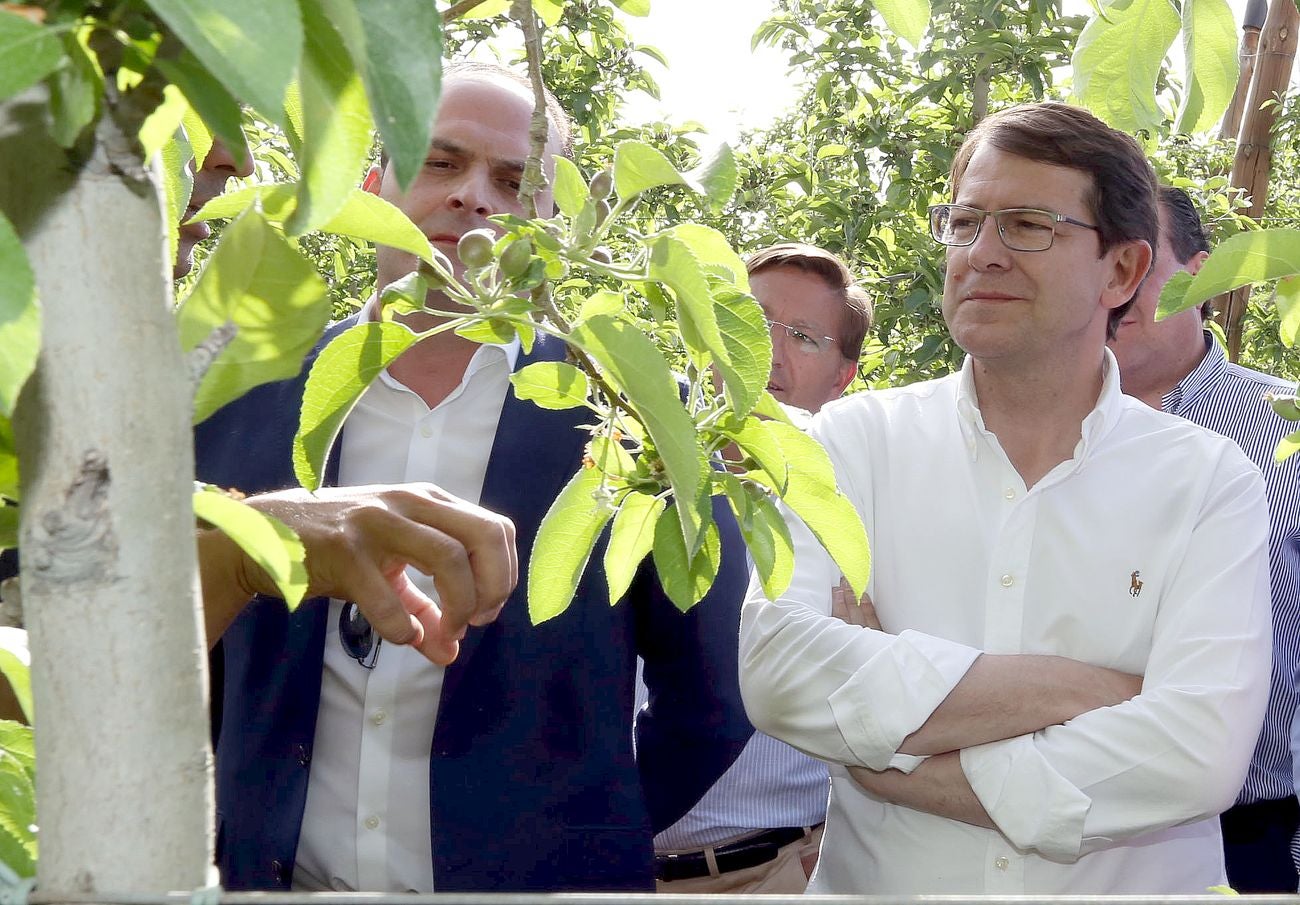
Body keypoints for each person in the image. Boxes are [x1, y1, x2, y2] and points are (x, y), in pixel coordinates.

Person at [193, 61, 752, 893]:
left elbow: (714, 693)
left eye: (515, 180)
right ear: (376, 183)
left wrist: (586, 826)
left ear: (551, 218)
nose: (472, 197)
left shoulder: (631, 415)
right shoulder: (239, 395)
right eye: (441, 161)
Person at [739, 102, 1272, 894]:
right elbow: (781, 671)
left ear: (1122, 271)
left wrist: (897, 760)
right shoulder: (850, 445)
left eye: (1028, 225)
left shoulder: (1207, 479)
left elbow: (1197, 752)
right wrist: (1085, 690)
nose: (981, 253)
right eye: (964, 222)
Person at [649, 243, 869, 894]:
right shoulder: (630, 481)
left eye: (801, 336)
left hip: (784, 873)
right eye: (743, 319)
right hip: (620, 870)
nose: (764, 351)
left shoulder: (859, 513)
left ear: (842, 376)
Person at [1108, 186, 1300, 892]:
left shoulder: (1287, 431)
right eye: (1098, 261)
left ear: (1204, 269)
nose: (1114, 287)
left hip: (1253, 837)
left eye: (1137, 260)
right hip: (1068, 834)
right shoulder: (1029, 437)